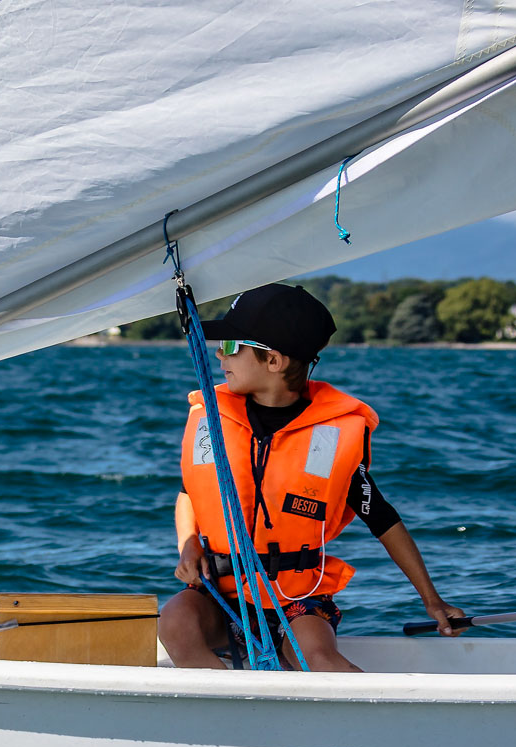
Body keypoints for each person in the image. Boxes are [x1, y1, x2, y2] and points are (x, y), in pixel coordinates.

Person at [158, 282, 465, 671]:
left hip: (297, 597)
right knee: (175, 623)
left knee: (315, 655)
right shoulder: (214, 420)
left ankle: (387, 723)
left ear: (274, 361)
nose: (219, 355)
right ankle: (237, 717)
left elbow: (383, 519)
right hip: (222, 592)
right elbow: (191, 491)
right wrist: (188, 545)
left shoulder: (331, 438)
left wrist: (432, 601)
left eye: (232, 347)